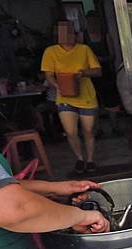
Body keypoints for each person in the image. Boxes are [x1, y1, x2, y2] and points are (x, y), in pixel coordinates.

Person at [41, 20, 102, 175]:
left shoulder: (84, 49)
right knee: (70, 131)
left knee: (88, 130)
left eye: (69, 32)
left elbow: (98, 71)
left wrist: (83, 73)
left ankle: (90, 160)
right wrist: (57, 85)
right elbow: (48, 74)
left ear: (74, 34)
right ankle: (80, 158)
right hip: (64, 97)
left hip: (86, 96)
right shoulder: (50, 51)